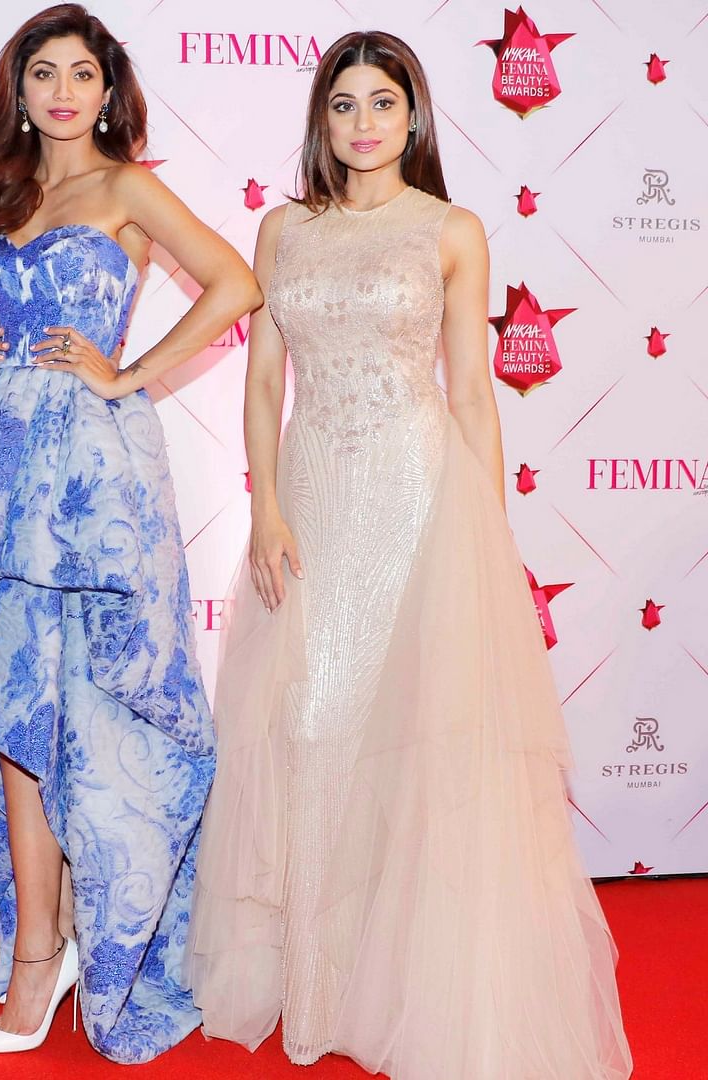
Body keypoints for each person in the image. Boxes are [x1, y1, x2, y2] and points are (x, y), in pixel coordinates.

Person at [189, 30, 632, 1079]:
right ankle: (323, 978)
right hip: (311, 505)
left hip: (419, 502)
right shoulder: (282, 229)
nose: (363, 124)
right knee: (312, 722)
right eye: (343, 104)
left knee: (416, 735)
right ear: (321, 120)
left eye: (382, 103)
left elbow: (473, 392)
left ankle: (402, 985)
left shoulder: (454, 229)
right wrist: (263, 511)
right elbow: (260, 386)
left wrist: (486, 534)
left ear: (415, 115)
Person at [0, 3, 259, 1061]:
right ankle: (39, 952)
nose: (60, 91)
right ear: (18, 89)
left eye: (79, 72)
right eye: (41, 72)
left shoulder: (128, 187)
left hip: (95, 488)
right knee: (10, 705)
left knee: (99, 703)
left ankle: (105, 929)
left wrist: (126, 373)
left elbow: (238, 282)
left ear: (107, 88)